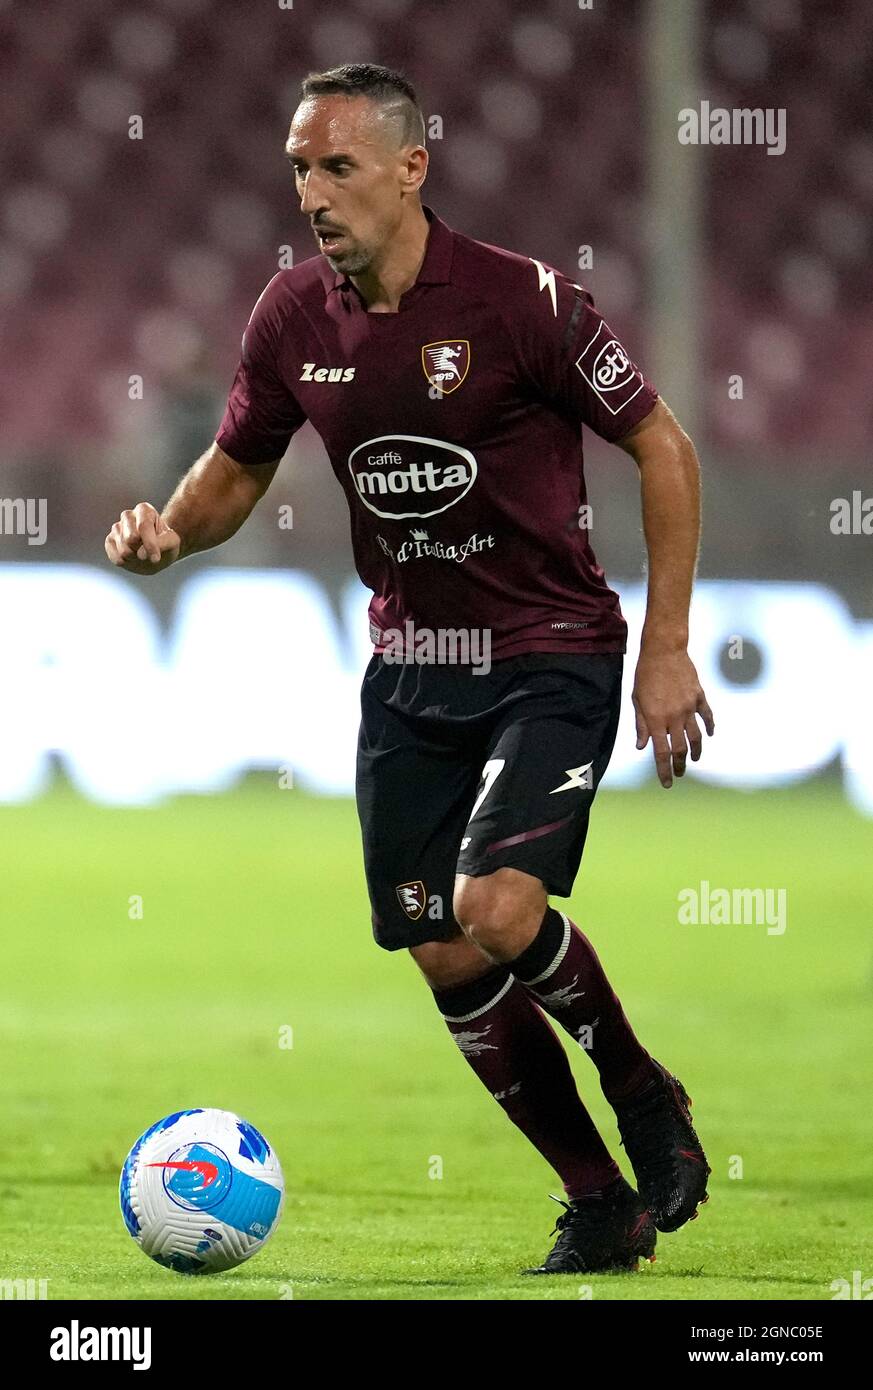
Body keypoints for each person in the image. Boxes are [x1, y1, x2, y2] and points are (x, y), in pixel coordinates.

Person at [105, 63, 714, 1275]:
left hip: (551, 650)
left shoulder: (521, 301)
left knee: (497, 910)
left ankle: (640, 1084)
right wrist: (173, 528)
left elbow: (662, 441)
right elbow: (236, 467)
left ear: (410, 168)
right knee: (438, 944)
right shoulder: (291, 319)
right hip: (411, 668)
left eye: (337, 166)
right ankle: (600, 1199)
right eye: (298, 169)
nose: (313, 193)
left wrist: (669, 645)